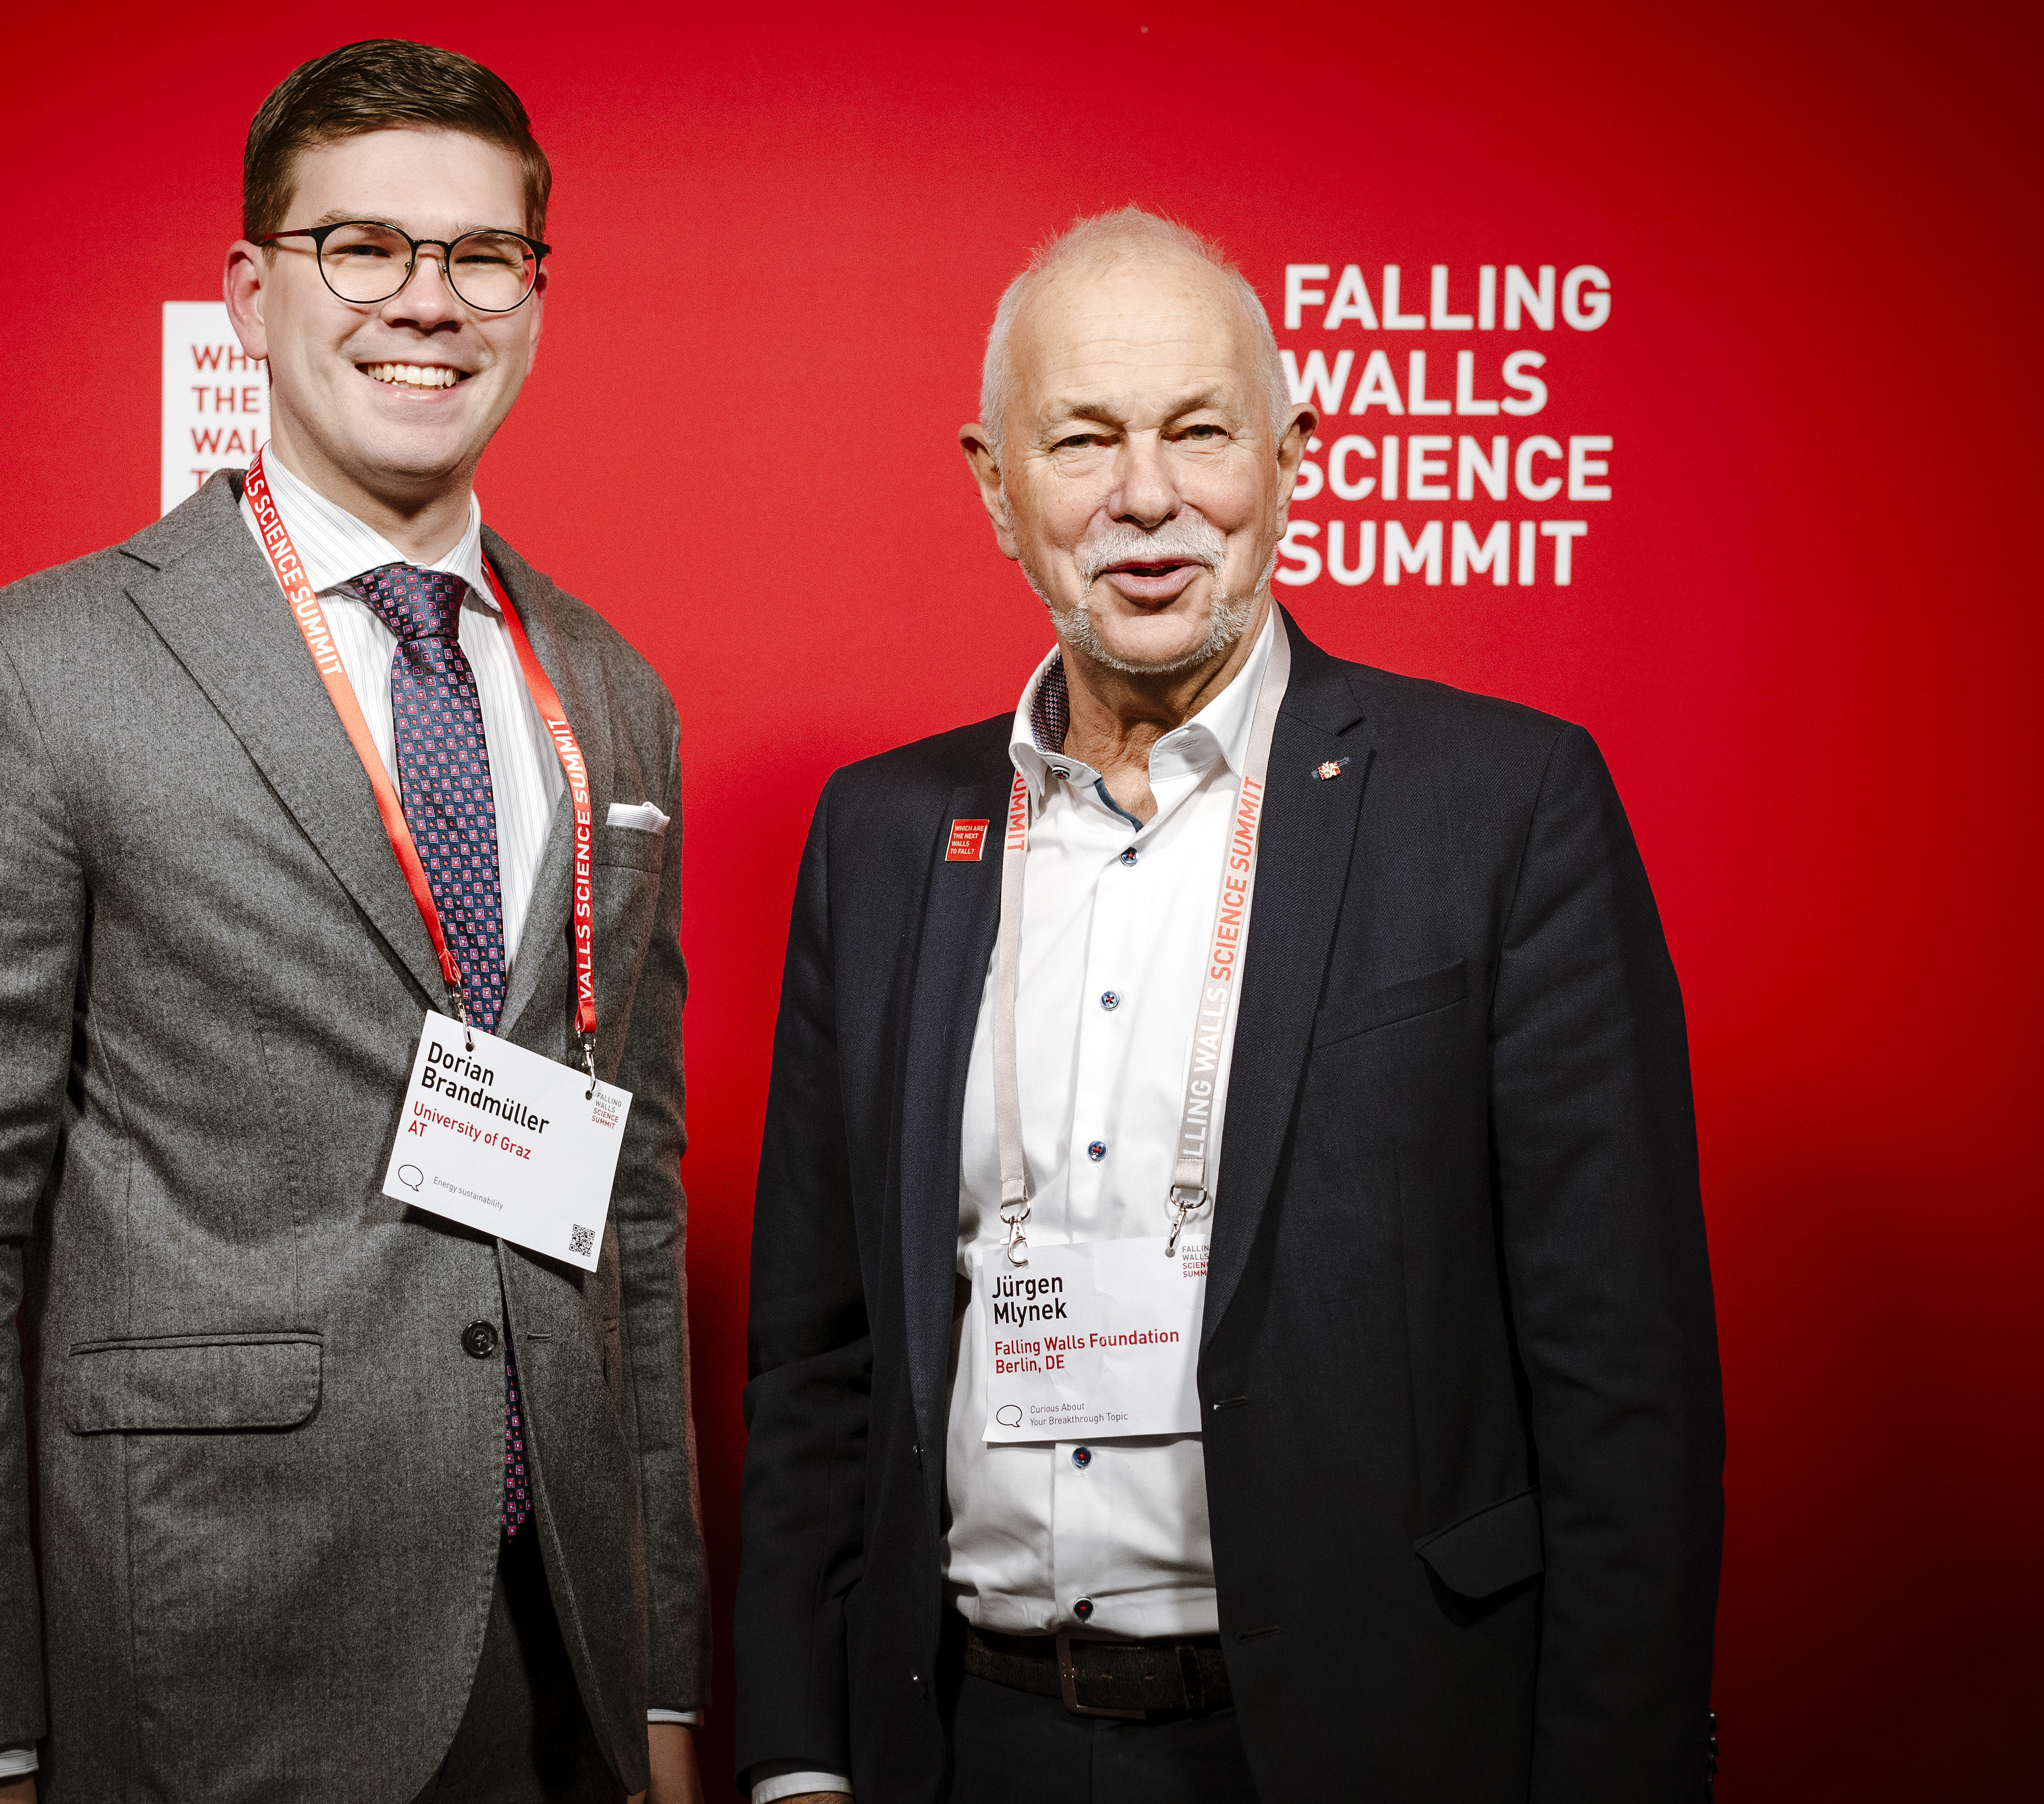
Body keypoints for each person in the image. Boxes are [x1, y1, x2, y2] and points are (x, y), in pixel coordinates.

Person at [734, 208, 1723, 1803]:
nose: (1146, 494)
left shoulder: (1502, 805)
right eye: (1083, 439)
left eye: (1199, 431)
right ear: (996, 485)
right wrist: (793, 1753)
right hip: (968, 1741)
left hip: (1376, 1739)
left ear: (1288, 456)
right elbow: (818, 1351)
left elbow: (1624, 1385)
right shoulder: (882, 834)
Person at [0, 39, 706, 1804]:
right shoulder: (31, 670)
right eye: (363, 248)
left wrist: (667, 1679)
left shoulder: (607, 689)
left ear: (532, 298)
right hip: (212, 1646)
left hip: (563, 1668)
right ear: (252, 288)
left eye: (481, 256)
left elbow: (641, 1201)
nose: (428, 303)